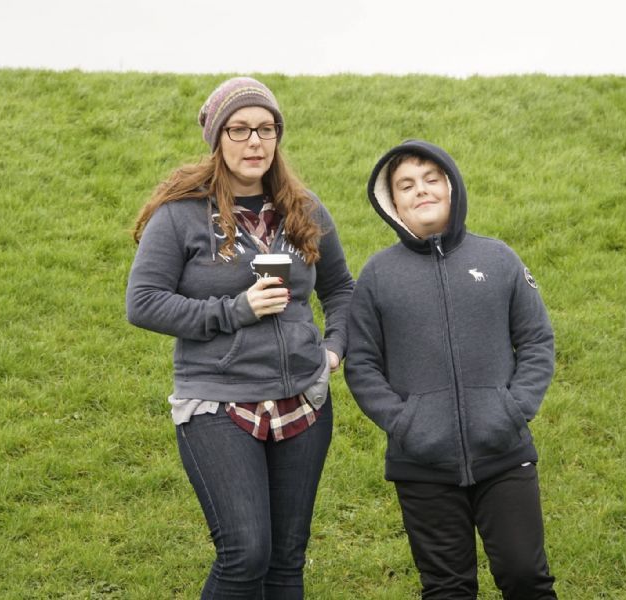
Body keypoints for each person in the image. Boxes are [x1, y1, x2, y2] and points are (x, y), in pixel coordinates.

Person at [126, 77, 354, 599]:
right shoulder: (181, 214)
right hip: (218, 402)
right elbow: (143, 303)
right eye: (240, 129)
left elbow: (341, 288)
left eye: (266, 129)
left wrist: (334, 347)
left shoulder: (304, 208)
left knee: (286, 560)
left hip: (302, 401)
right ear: (217, 138)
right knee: (245, 554)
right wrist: (236, 310)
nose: (255, 142)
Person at [344, 139, 558, 599]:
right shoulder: (377, 276)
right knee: (447, 589)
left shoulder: (498, 259)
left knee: (526, 576)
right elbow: (361, 363)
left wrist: (513, 409)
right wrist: (405, 423)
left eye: (430, 179)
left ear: (451, 187)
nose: (420, 190)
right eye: (406, 185)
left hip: (504, 454)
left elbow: (537, 340)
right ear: (392, 202)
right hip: (421, 465)